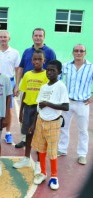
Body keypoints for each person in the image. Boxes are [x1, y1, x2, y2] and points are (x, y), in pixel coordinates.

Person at [14, 28, 56, 149]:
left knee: (41, 117)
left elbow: (54, 69)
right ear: (32, 37)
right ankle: (24, 140)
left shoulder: (50, 52)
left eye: (40, 35)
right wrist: (17, 84)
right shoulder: (27, 51)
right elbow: (21, 68)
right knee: (26, 115)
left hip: (43, 90)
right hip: (28, 87)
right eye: (36, 35)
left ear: (44, 37)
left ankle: (39, 142)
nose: (38, 37)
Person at [31, 60, 69, 190]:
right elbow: (38, 106)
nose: (50, 72)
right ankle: (43, 172)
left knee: (52, 151)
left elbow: (65, 106)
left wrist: (48, 104)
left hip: (53, 123)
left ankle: (54, 176)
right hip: (41, 121)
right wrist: (34, 122)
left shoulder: (60, 86)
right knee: (41, 149)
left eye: (53, 70)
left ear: (59, 72)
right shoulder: (43, 87)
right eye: (48, 70)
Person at [13, 49, 49, 176]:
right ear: (31, 60)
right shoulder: (27, 74)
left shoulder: (46, 76)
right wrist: (21, 110)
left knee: (39, 137)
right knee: (28, 135)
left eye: (40, 59)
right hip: (28, 108)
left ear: (44, 61)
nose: (37, 61)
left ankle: (39, 164)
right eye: (35, 59)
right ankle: (27, 159)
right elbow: (24, 93)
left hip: (40, 109)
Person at [58, 44, 93, 165]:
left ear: (85, 53)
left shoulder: (91, 67)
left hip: (83, 103)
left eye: (81, 51)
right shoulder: (66, 66)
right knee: (63, 127)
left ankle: (82, 154)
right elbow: (57, 78)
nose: (78, 53)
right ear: (73, 52)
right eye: (76, 51)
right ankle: (62, 149)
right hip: (67, 102)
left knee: (83, 130)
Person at [0, 30, 21, 144]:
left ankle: (8, 133)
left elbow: (18, 69)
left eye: (5, 37)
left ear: (9, 39)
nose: (3, 39)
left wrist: (16, 85)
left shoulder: (15, 52)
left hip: (9, 82)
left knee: (8, 108)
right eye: (1, 37)